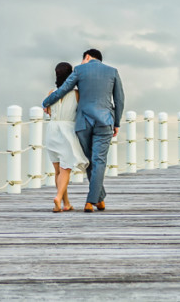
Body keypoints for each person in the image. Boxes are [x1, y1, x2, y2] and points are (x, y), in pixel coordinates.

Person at [42, 48, 124, 212]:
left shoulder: (79, 70)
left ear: (87, 57)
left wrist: (46, 102)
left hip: (83, 122)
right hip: (105, 121)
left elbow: (64, 89)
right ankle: (92, 200)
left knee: (89, 161)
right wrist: (116, 123)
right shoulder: (113, 71)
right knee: (99, 160)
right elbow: (119, 99)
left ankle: (97, 199)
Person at [44, 62, 89, 212]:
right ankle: (58, 197)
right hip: (66, 131)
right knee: (66, 169)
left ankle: (66, 203)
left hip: (52, 130)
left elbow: (49, 112)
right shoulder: (76, 94)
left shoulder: (51, 93)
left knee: (57, 170)